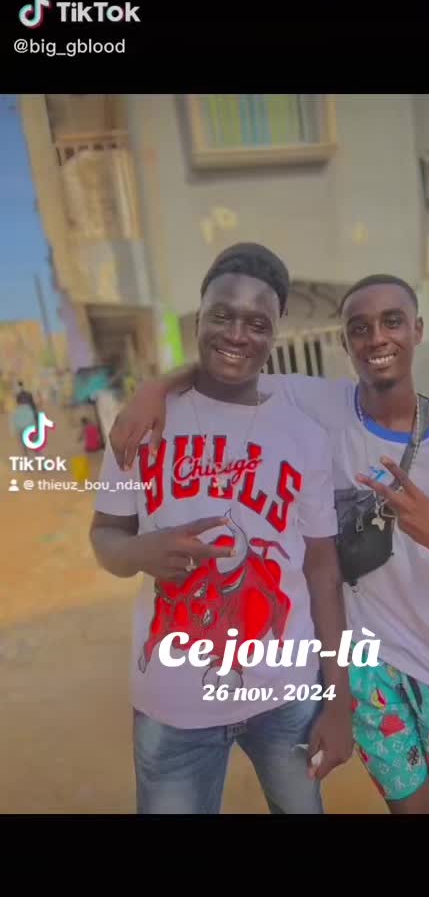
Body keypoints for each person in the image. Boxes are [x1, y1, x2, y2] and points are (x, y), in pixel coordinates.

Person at [108, 272, 429, 815]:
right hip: (367, 655)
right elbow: (229, 364)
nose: (377, 337)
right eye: (360, 327)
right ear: (345, 343)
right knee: (413, 807)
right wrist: (153, 389)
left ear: (417, 330)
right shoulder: (319, 402)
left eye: (392, 322)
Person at [90, 243, 353, 815]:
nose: (237, 334)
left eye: (257, 323)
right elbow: (104, 535)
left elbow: (322, 570)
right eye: (222, 315)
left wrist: (339, 699)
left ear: (275, 333)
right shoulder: (143, 424)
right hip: (173, 703)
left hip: (286, 696)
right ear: (198, 318)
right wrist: (138, 552)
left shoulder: (303, 434)